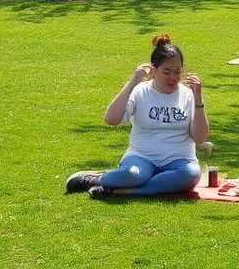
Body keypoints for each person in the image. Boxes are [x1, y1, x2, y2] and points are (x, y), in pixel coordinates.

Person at [65, 33, 208, 198]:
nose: (173, 78)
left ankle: (121, 189)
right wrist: (133, 82)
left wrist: (198, 100)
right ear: (154, 70)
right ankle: (97, 179)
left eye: (177, 72)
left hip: (179, 160)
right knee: (133, 174)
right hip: (142, 156)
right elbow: (111, 119)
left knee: (190, 175)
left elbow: (200, 138)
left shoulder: (189, 95)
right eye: (167, 72)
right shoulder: (141, 91)